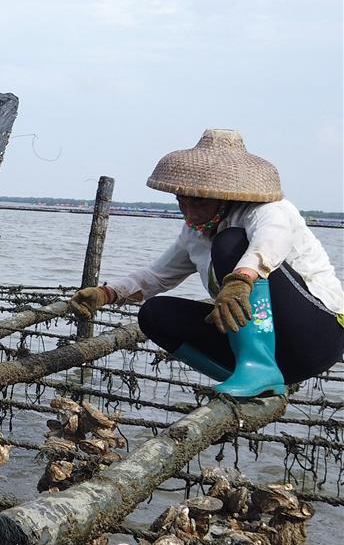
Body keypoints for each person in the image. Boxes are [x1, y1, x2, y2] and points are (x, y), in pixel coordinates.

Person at [69, 129, 344, 397]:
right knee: (154, 314)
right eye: (182, 203)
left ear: (222, 195)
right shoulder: (195, 232)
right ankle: (242, 374)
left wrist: (241, 280)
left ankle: (258, 370)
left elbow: (270, 240)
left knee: (231, 244)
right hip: (279, 356)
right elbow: (157, 275)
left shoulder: (268, 209)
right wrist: (106, 293)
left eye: (198, 204)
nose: (189, 214)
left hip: (316, 336)